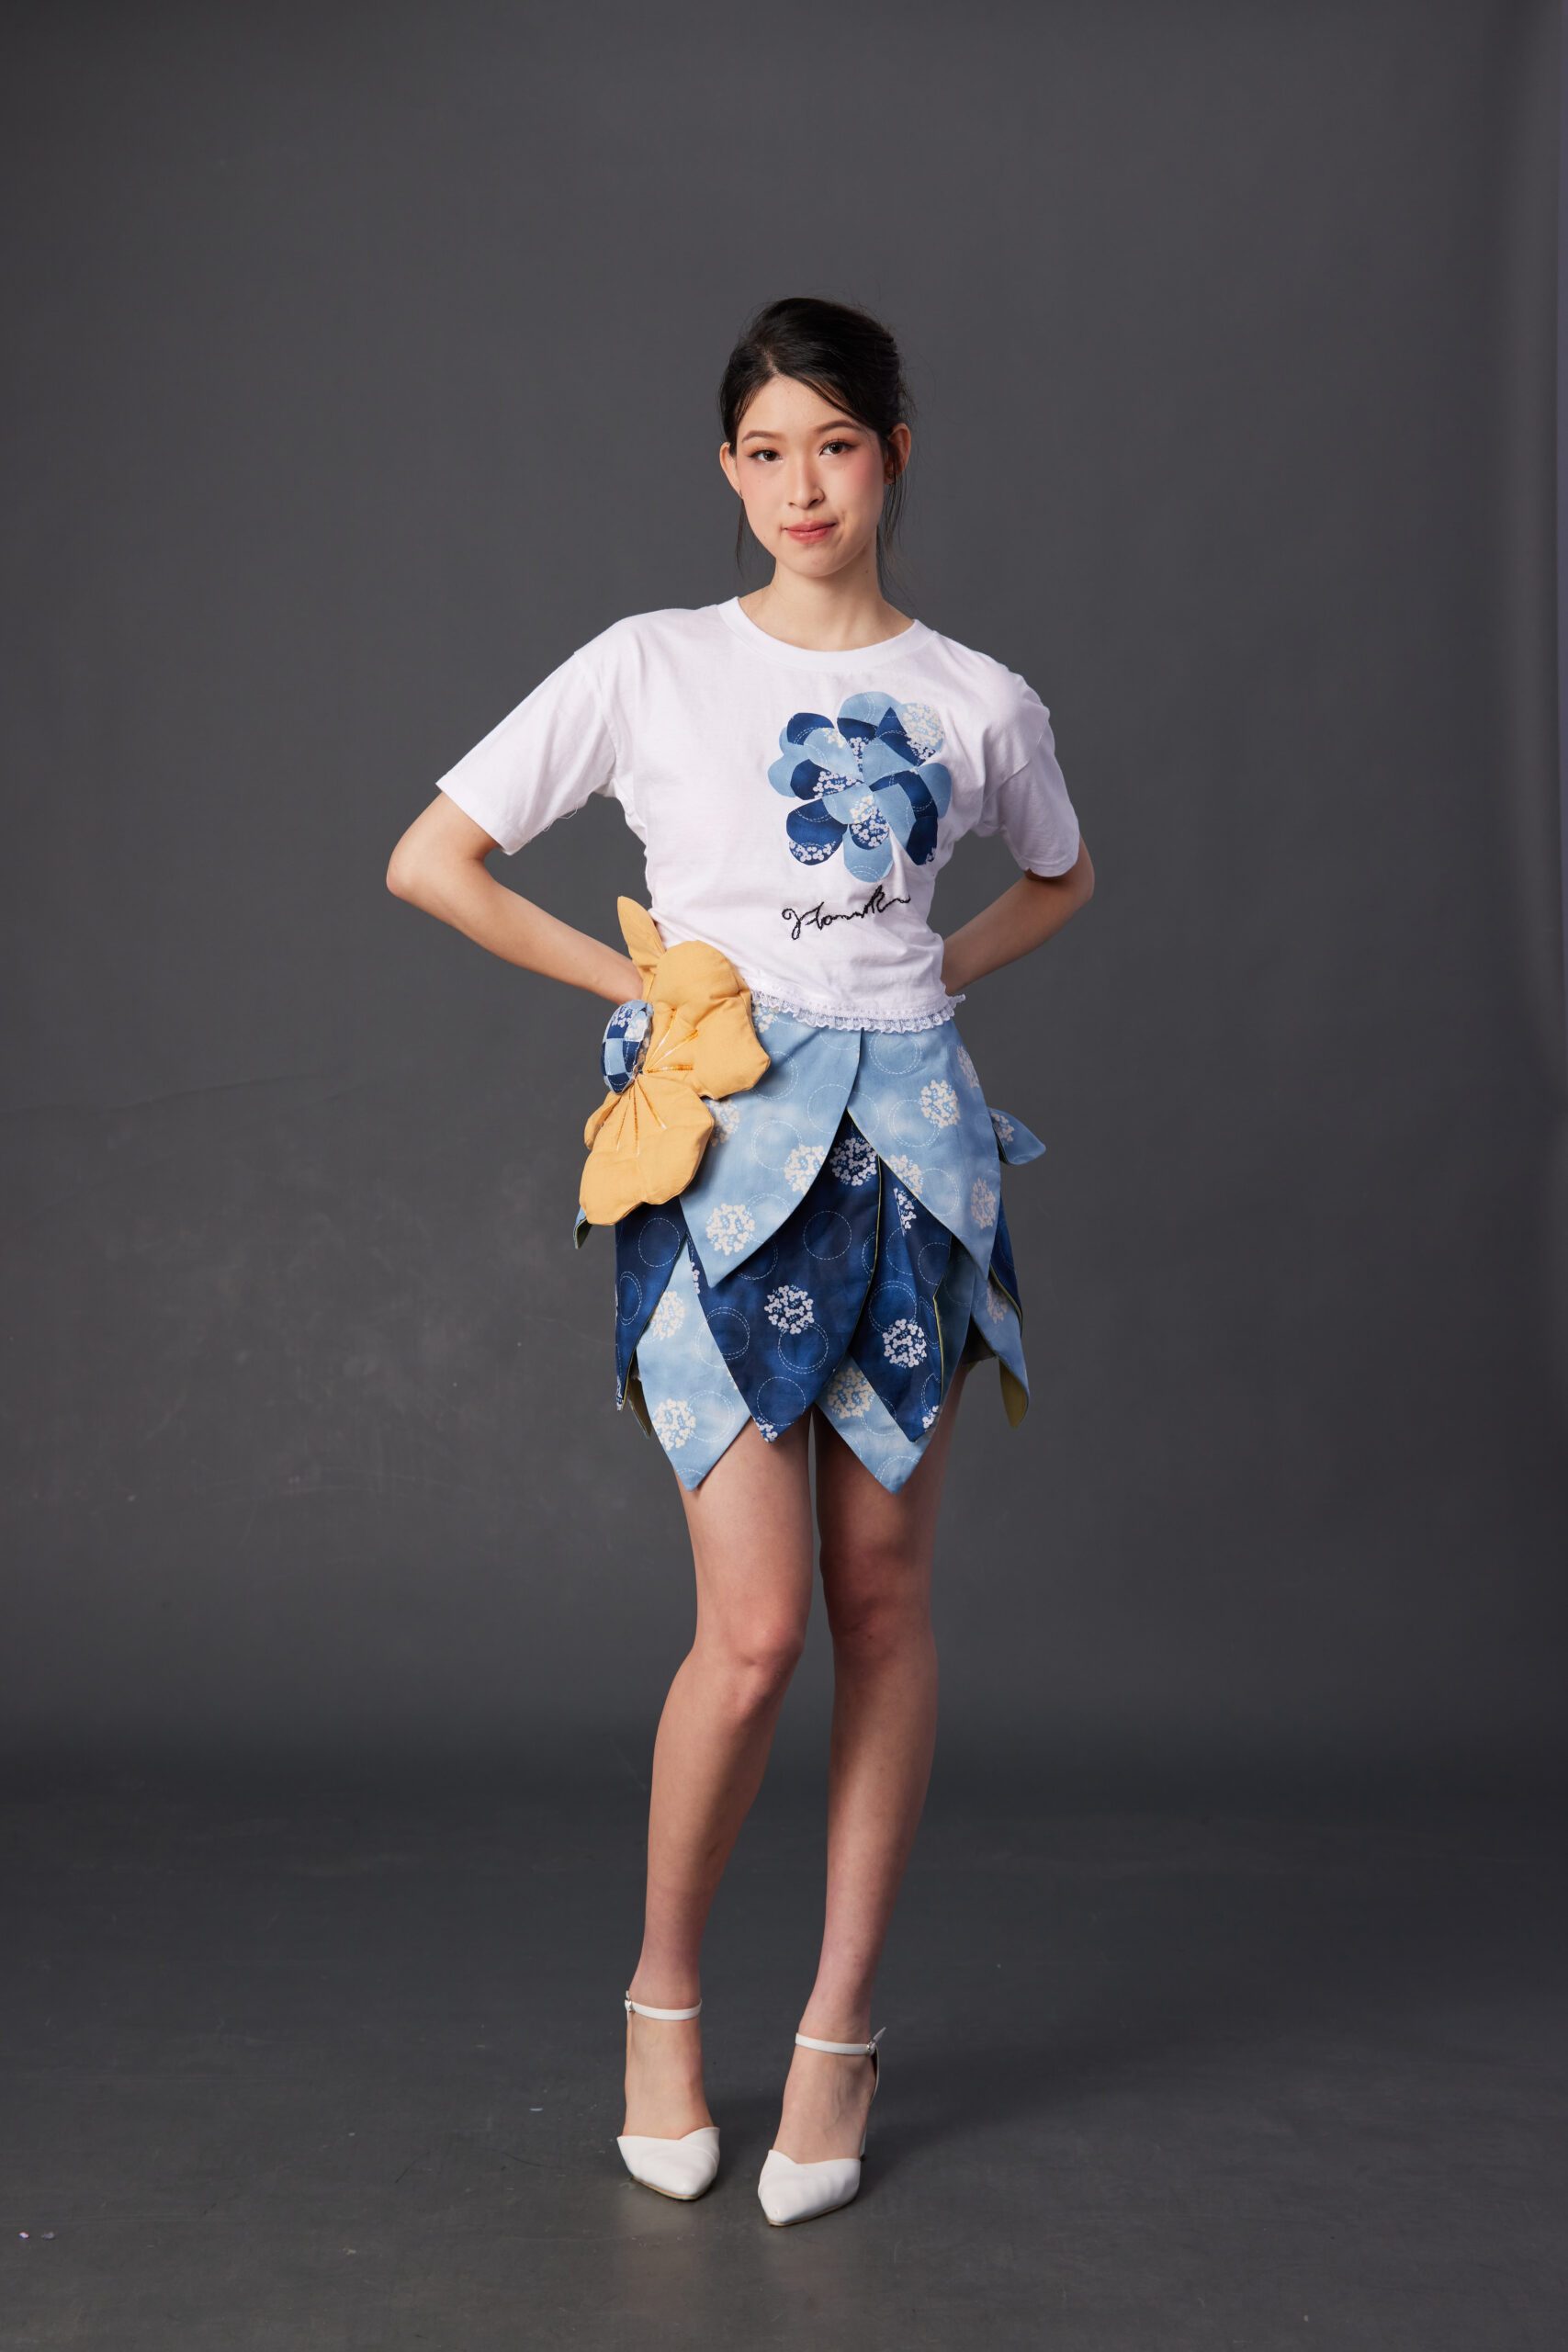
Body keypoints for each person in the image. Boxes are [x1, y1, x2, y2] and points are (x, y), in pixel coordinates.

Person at [387, 296, 1094, 2226]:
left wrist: (925, 984)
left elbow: (1060, 871)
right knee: (757, 1628)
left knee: (882, 1601)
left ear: (893, 454)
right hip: (713, 1163)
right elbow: (433, 858)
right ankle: (663, 2001)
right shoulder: (651, 664)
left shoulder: (977, 697)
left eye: (835, 445)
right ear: (728, 467)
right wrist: (640, 991)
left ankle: (839, 2029)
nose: (802, 486)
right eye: (767, 451)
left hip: (914, 1167)